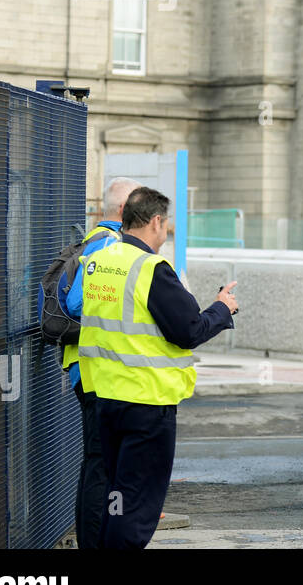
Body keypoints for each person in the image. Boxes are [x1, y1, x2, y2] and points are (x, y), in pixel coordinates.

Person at [75, 187, 238, 549]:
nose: (166, 235)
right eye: (167, 227)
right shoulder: (151, 269)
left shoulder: (100, 261)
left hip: (105, 397)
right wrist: (222, 308)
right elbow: (189, 330)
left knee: (115, 496)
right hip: (147, 403)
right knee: (135, 505)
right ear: (156, 221)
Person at [58, 176, 140, 549]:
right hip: (95, 371)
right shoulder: (109, 245)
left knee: (97, 463)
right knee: (100, 465)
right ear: (124, 210)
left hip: (88, 367)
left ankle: (95, 539)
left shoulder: (96, 241)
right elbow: (77, 304)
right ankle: (94, 543)